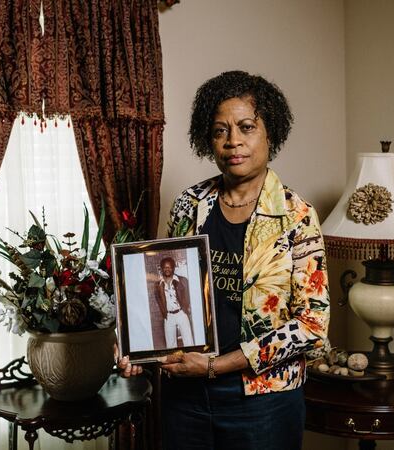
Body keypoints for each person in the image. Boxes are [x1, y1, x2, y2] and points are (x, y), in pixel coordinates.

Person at [119, 70, 330, 450]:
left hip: (265, 400)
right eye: (220, 131)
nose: (233, 141)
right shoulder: (190, 204)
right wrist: (139, 348)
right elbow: (163, 285)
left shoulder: (296, 215)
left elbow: (313, 324)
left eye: (246, 127)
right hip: (187, 397)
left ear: (270, 134)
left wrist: (217, 365)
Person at [154, 256, 194, 348]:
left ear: (173, 268)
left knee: (188, 341)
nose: (167, 269)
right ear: (161, 269)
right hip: (168, 316)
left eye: (169, 267)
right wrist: (164, 313)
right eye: (165, 267)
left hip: (181, 313)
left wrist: (186, 307)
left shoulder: (182, 280)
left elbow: (188, 294)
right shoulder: (158, 284)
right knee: (170, 344)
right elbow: (158, 299)